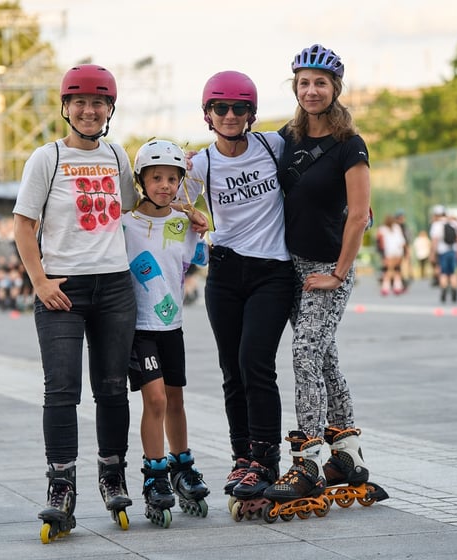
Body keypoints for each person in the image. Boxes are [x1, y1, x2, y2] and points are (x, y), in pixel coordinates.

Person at [12, 63, 139, 539]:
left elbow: (132, 207)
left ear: (110, 109)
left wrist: (183, 210)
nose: (90, 110)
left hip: (115, 286)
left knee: (112, 388)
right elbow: (24, 225)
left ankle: (112, 474)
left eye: (99, 103)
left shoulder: (116, 154)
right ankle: (61, 486)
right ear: (66, 107)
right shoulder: (47, 158)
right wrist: (40, 281)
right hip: (62, 288)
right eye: (80, 102)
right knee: (62, 389)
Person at [265, 44, 376, 506]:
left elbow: (359, 215)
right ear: (295, 87)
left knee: (305, 352)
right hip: (290, 265)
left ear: (335, 88)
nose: (311, 90)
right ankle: (347, 453)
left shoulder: (350, 145)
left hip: (328, 267)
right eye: (304, 83)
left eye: (321, 83)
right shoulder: (286, 138)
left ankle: (308, 460)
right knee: (324, 355)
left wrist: (338, 273)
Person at [185, 70, 292, 506]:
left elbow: (322, 159)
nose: (230, 115)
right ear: (207, 114)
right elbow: (162, 196)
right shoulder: (200, 164)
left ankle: (266, 458)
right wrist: (190, 213)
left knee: (255, 362)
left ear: (252, 113)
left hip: (273, 271)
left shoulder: (273, 145)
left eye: (239, 108)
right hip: (225, 273)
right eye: (221, 108)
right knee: (232, 368)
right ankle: (242, 456)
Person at [124, 139, 210, 524]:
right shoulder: (126, 224)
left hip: (172, 325)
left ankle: (182, 466)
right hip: (139, 327)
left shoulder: (183, 223)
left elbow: (199, 257)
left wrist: (200, 225)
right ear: (141, 180)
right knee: (156, 400)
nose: (164, 185)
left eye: (172, 179)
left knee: (176, 399)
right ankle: (155, 474)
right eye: (156, 177)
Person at [430, 205, 457, 304]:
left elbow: (435, 240)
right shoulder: (453, 223)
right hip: (453, 251)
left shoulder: (436, 225)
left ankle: (443, 292)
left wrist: (432, 253)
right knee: (453, 272)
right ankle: (454, 292)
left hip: (442, 252)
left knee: (443, 273)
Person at [376, 214, 406, 295]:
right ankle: (397, 286)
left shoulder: (382, 229)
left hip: (389, 251)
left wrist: (381, 252)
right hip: (398, 251)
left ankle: (385, 287)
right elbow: (402, 241)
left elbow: (379, 240)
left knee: (388, 270)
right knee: (397, 270)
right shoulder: (397, 227)